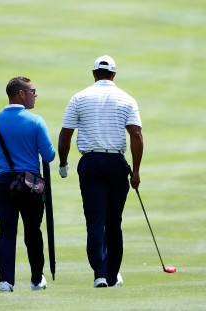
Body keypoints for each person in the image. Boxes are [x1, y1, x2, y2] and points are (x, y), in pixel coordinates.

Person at [58, 55, 143, 288]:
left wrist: (63, 163)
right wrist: (135, 172)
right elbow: (136, 135)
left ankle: (100, 274)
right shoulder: (126, 99)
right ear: (114, 74)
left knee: (95, 220)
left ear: (94, 73)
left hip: (91, 163)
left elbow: (66, 135)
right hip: (116, 163)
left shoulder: (79, 98)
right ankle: (113, 275)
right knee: (113, 221)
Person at [0, 76, 55, 292]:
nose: (36, 95)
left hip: (4, 181)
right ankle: (36, 278)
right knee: (33, 231)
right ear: (21, 94)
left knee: (6, 231)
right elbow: (49, 155)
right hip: (30, 184)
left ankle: (6, 281)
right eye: (33, 91)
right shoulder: (35, 121)